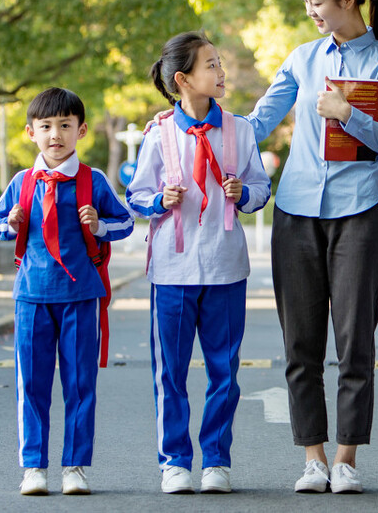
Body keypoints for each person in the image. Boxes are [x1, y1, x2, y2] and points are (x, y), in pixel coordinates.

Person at [245, 0, 378, 494]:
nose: (312, 12)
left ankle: (346, 460)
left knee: (353, 341)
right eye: (306, 4)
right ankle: (312, 458)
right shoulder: (301, 58)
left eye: (317, 3)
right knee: (301, 344)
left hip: (360, 214)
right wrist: (187, 117)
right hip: (295, 213)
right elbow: (256, 123)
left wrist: (349, 116)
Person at [125, 32, 272, 495]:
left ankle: (217, 461)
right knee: (170, 370)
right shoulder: (158, 133)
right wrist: (158, 200)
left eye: (220, 63)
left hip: (226, 266)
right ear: (183, 79)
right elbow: (137, 195)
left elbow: (261, 187)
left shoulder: (241, 130)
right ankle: (174, 461)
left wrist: (243, 193)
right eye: (211, 65)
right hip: (172, 268)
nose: (221, 72)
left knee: (223, 371)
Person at [0, 87, 134, 496]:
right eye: (47, 126)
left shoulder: (94, 181)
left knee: (79, 384)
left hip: (81, 297)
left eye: (65, 126)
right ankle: (33, 466)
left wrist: (97, 225)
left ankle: (75, 467)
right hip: (32, 296)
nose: (56, 134)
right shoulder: (22, 182)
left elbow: (125, 223)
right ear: (31, 132)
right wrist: (11, 224)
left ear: (81, 130)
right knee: (31, 384)